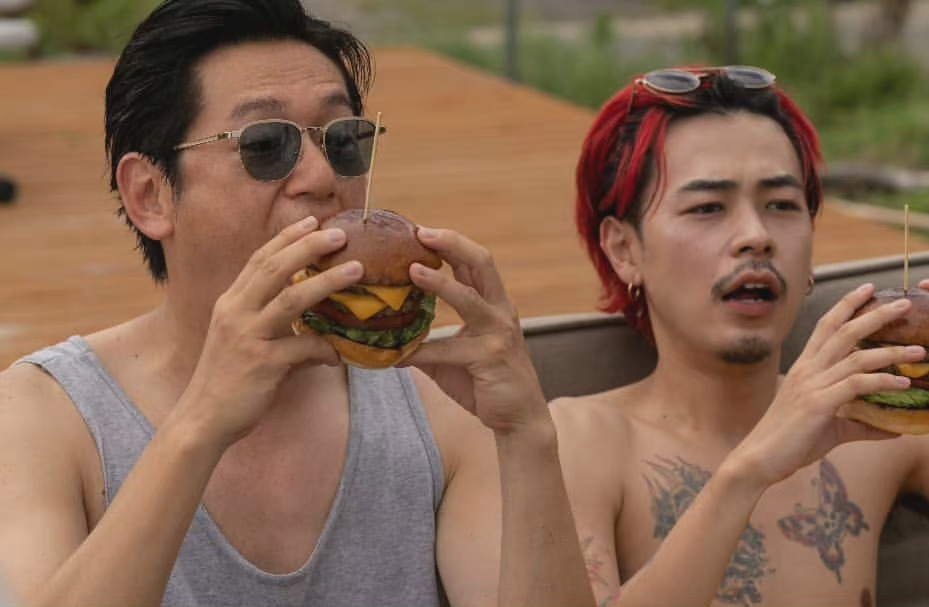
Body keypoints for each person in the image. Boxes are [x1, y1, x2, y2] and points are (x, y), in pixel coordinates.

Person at [0, 2, 593, 606]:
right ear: (150, 195)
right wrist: (200, 425)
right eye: (266, 145)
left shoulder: (438, 407)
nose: (320, 177)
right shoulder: (46, 414)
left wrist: (526, 435)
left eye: (344, 140)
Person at [552, 65, 929, 606]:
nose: (756, 235)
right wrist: (748, 472)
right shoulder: (577, 443)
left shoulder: (879, 424)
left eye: (782, 205)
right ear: (624, 250)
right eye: (707, 208)